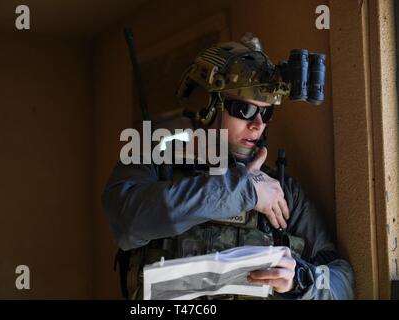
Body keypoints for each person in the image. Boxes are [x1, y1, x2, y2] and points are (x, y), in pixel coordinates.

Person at [102, 33, 355, 300]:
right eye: (243, 109)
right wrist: (243, 191)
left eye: (266, 112)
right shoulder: (154, 161)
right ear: (206, 104)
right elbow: (127, 221)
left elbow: (342, 281)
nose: (258, 124)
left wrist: (300, 279)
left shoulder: (279, 189)